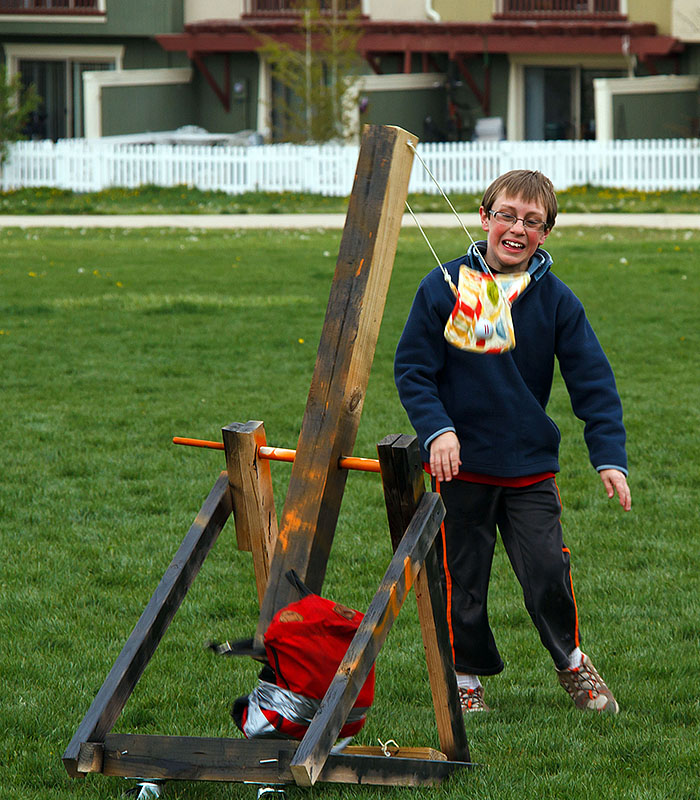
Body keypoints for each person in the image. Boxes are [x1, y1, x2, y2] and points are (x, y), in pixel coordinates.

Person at [394, 170, 631, 715]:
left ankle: (572, 661)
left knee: (547, 568)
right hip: (460, 466)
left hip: (528, 465)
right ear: (484, 217)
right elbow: (413, 369)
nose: (517, 228)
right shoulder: (443, 286)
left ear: (546, 233)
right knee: (463, 580)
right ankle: (466, 676)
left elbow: (593, 381)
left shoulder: (556, 301)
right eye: (507, 215)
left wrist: (609, 456)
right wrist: (438, 429)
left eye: (532, 221)